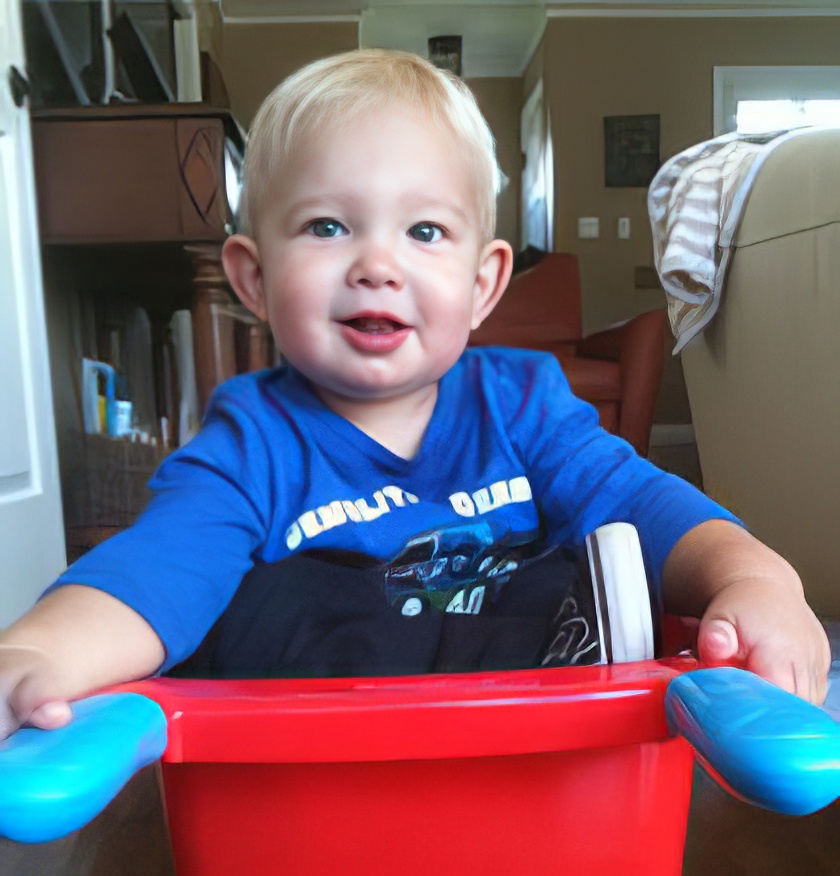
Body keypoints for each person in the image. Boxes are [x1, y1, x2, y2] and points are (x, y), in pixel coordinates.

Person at [0, 49, 829, 740]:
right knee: (249, 597)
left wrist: (757, 581)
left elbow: (646, 499)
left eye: (424, 231)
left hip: (527, 725)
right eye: (328, 227)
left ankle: (597, 642)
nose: (377, 264)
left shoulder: (524, 405)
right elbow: (153, 571)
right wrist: (37, 655)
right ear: (254, 278)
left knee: (578, 559)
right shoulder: (252, 441)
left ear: (481, 283)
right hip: (325, 742)